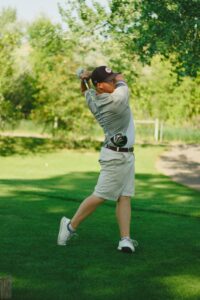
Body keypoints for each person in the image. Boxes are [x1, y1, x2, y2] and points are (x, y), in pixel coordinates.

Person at [57, 66, 138, 253]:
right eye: (109, 81)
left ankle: (125, 239)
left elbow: (85, 91)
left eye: (112, 80)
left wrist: (84, 79)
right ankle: (69, 226)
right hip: (116, 157)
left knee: (124, 196)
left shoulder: (93, 98)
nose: (113, 82)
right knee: (100, 195)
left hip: (125, 155)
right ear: (100, 86)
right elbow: (121, 78)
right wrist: (94, 76)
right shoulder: (117, 100)